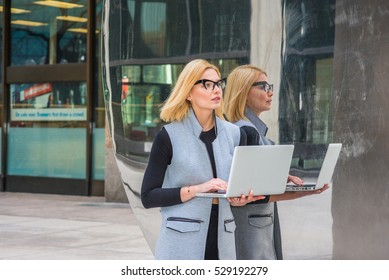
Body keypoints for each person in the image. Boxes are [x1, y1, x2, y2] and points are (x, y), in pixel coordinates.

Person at [141, 59, 263, 260]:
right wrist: (197, 189)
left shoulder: (236, 134)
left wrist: (239, 199)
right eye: (207, 84)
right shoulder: (168, 136)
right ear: (188, 92)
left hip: (223, 239)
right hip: (181, 242)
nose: (216, 90)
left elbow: (239, 186)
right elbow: (148, 196)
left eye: (218, 84)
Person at [223, 64, 329, 260]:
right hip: (251, 230)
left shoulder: (247, 130)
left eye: (269, 86)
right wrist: (303, 191)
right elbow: (252, 192)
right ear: (244, 92)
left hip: (256, 225)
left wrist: (279, 176)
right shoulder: (247, 132)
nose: (270, 92)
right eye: (263, 87)